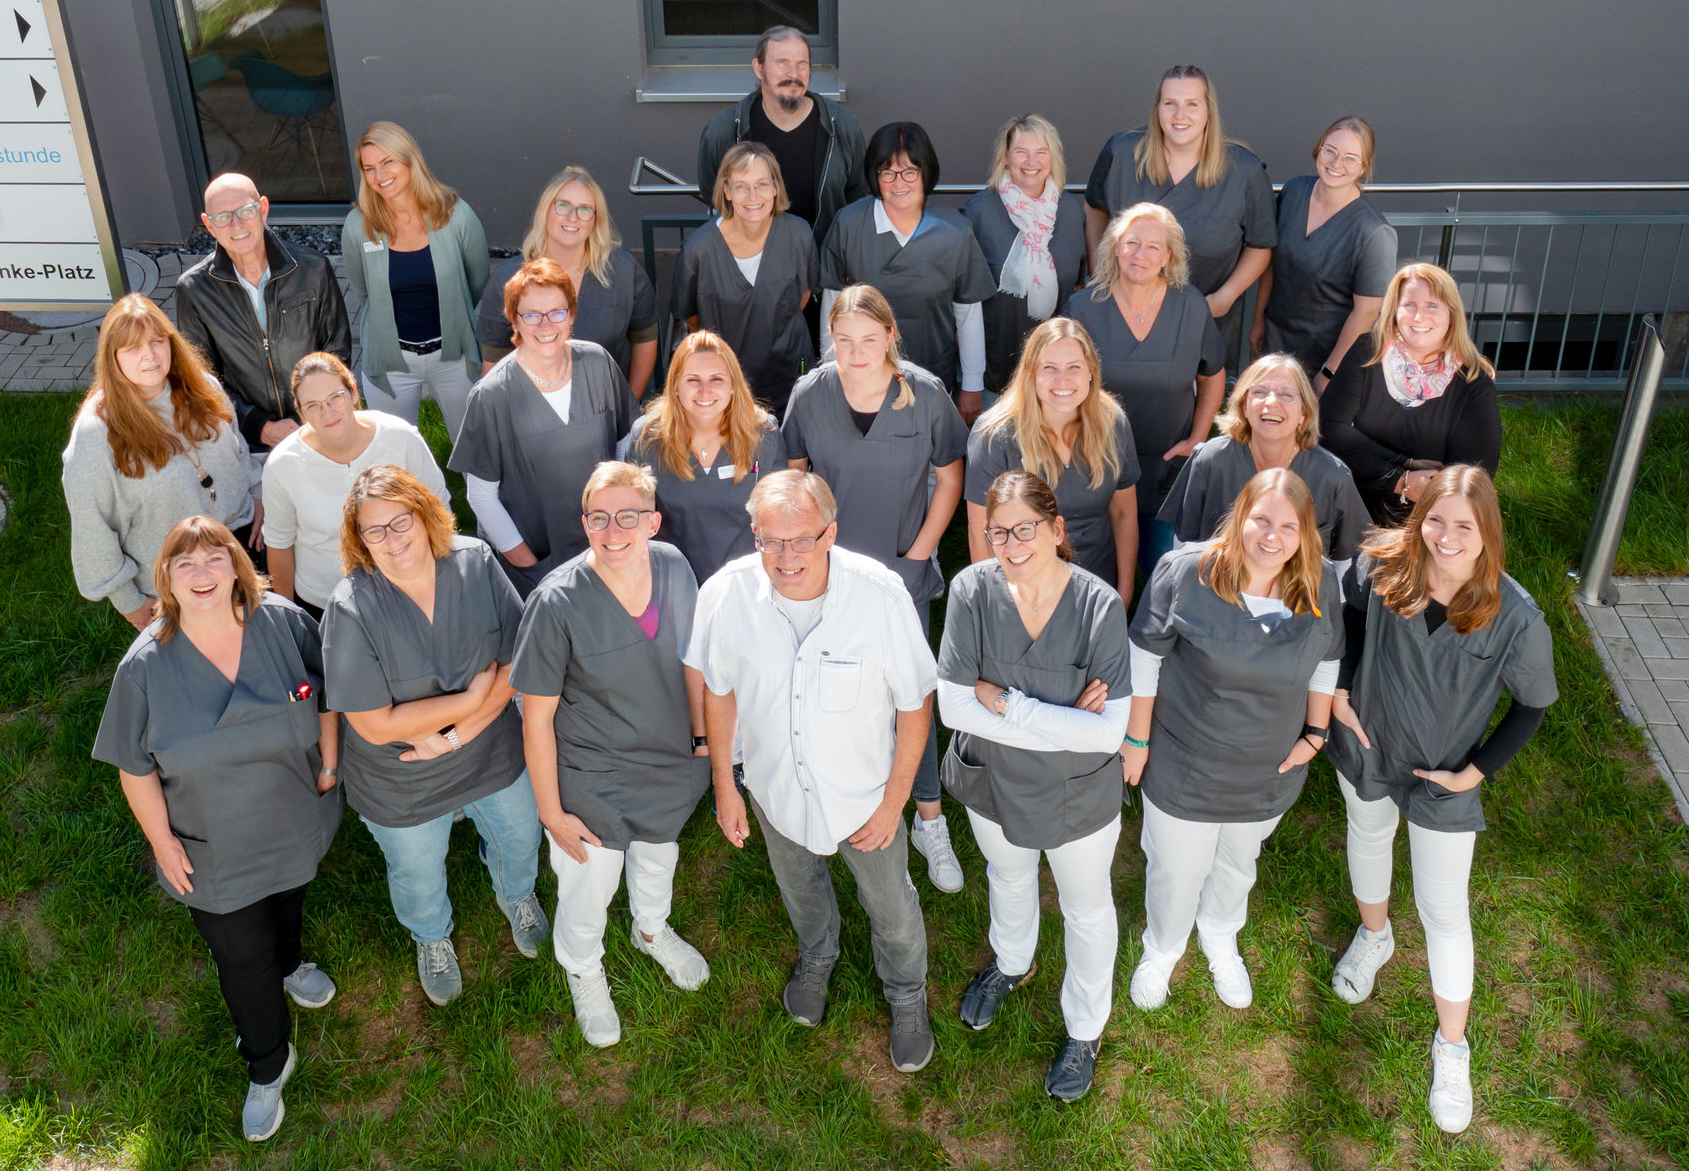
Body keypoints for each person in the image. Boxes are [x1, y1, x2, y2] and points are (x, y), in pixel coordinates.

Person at [92, 516, 342, 1142]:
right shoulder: (145, 666)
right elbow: (133, 767)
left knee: (287, 903)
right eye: (185, 564)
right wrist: (162, 842)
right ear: (166, 579)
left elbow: (327, 693)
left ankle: (291, 963)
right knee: (242, 956)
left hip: (293, 817)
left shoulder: (282, 624)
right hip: (212, 846)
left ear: (236, 565)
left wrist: (330, 764)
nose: (202, 573)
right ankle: (268, 1061)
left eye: (214, 558)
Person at [1324, 466, 1556, 1135]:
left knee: (1443, 907)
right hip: (1369, 743)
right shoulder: (1383, 566)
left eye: (1463, 525)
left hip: (1442, 774)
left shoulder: (1515, 616)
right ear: (1417, 516)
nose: (1445, 537)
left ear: (1487, 532)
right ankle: (1374, 936)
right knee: (1367, 837)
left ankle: (1451, 1046)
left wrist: (1473, 773)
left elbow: (1531, 706)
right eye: (1434, 520)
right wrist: (1340, 689)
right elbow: (1350, 620)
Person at [686, 471, 937, 1074]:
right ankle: (818, 952)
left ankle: (907, 993)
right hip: (776, 792)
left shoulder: (880, 597)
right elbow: (718, 691)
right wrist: (725, 784)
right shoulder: (725, 595)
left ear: (831, 533)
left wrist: (893, 804)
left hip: (865, 800)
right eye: (771, 541)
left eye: (801, 539)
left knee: (891, 906)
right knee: (799, 887)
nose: (786, 556)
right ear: (754, 535)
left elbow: (915, 704)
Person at [320, 465, 549, 1008]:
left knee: (521, 837)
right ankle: (431, 937)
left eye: (401, 522)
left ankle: (517, 896)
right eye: (374, 531)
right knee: (418, 874)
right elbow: (374, 724)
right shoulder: (351, 609)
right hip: (402, 777)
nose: (392, 539)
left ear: (425, 516)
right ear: (359, 539)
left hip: (489, 750)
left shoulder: (475, 563)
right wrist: (469, 700)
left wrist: (454, 735)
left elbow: (516, 662)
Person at [937, 471, 1132, 1101]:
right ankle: (1012, 962)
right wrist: (1066, 719)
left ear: (1056, 529)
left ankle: (1085, 1027)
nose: (1012, 545)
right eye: (999, 533)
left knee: (1086, 908)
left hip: (1078, 793)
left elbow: (1109, 735)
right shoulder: (971, 591)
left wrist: (1007, 704)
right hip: (993, 783)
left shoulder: (1100, 606)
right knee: (1008, 874)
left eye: (1026, 529)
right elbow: (953, 707)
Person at [1123, 468, 1343, 1013]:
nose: (1273, 537)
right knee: (1177, 869)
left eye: (1288, 527)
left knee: (1238, 864)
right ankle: (1163, 946)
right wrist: (1137, 740)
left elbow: (1327, 659)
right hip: (1186, 762)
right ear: (1240, 515)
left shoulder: (1319, 583)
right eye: (1262, 520)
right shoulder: (1187, 573)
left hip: (1268, 767)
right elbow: (1144, 656)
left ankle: (1220, 934)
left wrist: (1316, 735)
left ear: (1305, 534)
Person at [513, 462, 712, 1048]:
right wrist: (551, 812)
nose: (613, 530)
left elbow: (692, 661)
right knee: (589, 882)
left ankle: (650, 931)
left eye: (628, 516)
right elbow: (537, 717)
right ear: (584, 524)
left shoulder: (673, 566)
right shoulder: (556, 602)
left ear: (653, 522)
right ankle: (583, 966)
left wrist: (701, 742)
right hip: (592, 770)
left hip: (669, 754)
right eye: (598, 518)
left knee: (658, 854)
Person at [782, 285, 967, 891]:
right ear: (829, 340)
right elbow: (795, 481)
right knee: (840, 693)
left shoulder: (925, 394)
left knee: (911, 694)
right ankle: (848, 805)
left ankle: (928, 818)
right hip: (829, 577)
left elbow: (949, 478)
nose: (857, 353)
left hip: (900, 572)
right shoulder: (811, 395)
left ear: (891, 336)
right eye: (844, 341)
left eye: (869, 339)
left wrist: (919, 553)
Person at [64, 294, 262, 629]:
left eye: (157, 341)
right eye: (133, 348)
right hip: (176, 580)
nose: (150, 356)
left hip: (240, 549)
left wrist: (257, 495)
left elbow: (237, 448)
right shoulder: (96, 431)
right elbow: (91, 525)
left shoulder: (203, 386)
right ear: (112, 357)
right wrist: (129, 602)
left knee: (258, 646)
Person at [450, 258, 639, 597]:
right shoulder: (493, 395)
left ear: (572, 314)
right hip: (540, 566)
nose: (545, 324)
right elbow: (481, 496)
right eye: (532, 315)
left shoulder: (597, 364)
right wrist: (530, 567)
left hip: (610, 548)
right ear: (514, 319)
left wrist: (624, 520)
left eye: (557, 312)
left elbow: (627, 442)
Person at [1066, 203, 1226, 574]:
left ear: (1168, 256)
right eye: (1132, 243)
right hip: (1097, 464)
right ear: (1115, 247)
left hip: (1166, 467)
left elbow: (1212, 375)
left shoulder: (1190, 306)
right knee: (1090, 578)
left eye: (1153, 247)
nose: (1141, 254)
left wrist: (1197, 439)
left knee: (1163, 574)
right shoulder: (1082, 308)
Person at [1083, 65, 1276, 364]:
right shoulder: (1121, 152)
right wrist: (1100, 275)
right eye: (1170, 103)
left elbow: (1261, 246)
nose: (1179, 115)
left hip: (1203, 318)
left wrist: (1224, 298)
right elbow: (1095, 208)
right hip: (1120, 312)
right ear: (1157, 108)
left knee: (1198, 388)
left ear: (1209, 111)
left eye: (1192, 104)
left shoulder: (1244, 171)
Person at [819, 121, 996, 422]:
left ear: (926, 173)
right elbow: (831, 310)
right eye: (887, 172)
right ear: (875, 176)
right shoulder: (848, 226)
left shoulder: (954, 232)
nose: (899, 183)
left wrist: (972, 385)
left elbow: (968, 313)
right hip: (859, 382)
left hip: (932, 380)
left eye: (910, 171)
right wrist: (830, 376)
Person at [261, 352, 448, 621]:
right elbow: (279, 545)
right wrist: (287, 621)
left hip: (408, 591)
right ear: (300, 412)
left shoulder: (401, 437)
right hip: (325, 603)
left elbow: (439, 511)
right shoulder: (282, 465)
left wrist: (441, 582)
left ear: (353, 392)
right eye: (313, 406)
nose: (327, 413)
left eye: (335, 398)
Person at [175, 172, 352, 456]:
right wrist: (260, 426)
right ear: (209, 225)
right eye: (223, 217)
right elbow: (201, 377)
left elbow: (337, 352)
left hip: (320, 426)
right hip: (248, 443)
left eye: (245, 211)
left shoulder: (312, 269)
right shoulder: (194, 289)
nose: (237, 225)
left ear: (263, 209)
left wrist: (307, 416)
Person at [965, 318, 1139, 597]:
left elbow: (1123, 513)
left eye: (1074, 367)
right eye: (1049, 368)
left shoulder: (1112, 422)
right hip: (1023, 592)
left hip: (1096, 588)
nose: (1063, 380)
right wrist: (997, 604)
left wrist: (1124, 592)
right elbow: (980, 532)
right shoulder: (994, 435)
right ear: (1031, 373)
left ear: (1091, 371)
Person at [1318, 263, 1500, 525]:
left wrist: (1375, 460)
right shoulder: (1367, 351)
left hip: (1428, 521)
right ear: (1394, 311)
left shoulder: (1473, 381)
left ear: (1451, 313)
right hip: (1352, 508)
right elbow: (1329, 428)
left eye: (1432, 306)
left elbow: (1469, 475)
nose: (1418, 317)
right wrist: (1401, 472)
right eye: (1409, 305)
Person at [341, 121, 489, 441]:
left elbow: (476, 280)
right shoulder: (358, 226)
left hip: (454, 354)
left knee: (474, 445)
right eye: (369, 168)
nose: (380, 175)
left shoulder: (456, 215)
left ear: (410, 160)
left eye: (388, 162)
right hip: (390, 358)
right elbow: (364, 290)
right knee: (393, 450)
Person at [1160, 354, 1368, 559]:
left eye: (1286, 395)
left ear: (1304, 412)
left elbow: (1347, 562)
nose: (1271, 402)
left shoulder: (1333, 476)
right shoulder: (1210, 460)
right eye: (1259, 392)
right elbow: (1182, 547)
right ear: (1244, 406)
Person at [474, 167, 658, 396]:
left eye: (585, 209)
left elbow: (645, 338)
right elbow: (493, 363)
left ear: (595, 220)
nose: (573, 217)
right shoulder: (507, 279)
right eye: (563, 205)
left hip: (607, 409)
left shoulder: (623, 271)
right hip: (532, 410)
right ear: (545, 209)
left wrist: (629, 403)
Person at [622, 331, 786, 583]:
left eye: (716, 379)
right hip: (671, 584)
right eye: (693, 380)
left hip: (745, 585)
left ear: (733, 385)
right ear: (675, 386)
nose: (705, 391)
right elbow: (631, 520)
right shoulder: (647, 437)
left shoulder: (764, 433)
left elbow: (780, 519)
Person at [1249, 117, 1396, 391]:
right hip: (1276, 340)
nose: (1336, 163)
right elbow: (1271, 264)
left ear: (1364, 167)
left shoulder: (1374, 233)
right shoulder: (1294, 191)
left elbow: (1366, 313)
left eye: (1351, 158)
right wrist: (1258, 318)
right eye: (1331, 151)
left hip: (1325, 355)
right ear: (1319, 149)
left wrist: (1329, 372)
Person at [673, 142, 818, 416]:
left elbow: (803, 295)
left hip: (790, 373)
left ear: (775, 187)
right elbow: (691, 317)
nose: (753, 196)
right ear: (727, 191)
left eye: (762, 184)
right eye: (741, 186)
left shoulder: (799, 234)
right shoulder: (698, 250)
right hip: (726, 384)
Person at [695, 25, 867, 246]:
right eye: (782, 63)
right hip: (752, 260)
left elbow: (859, 197)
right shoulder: (724, 132)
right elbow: (713, 192)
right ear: (759, 68)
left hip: (825, 260)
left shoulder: (842, 127)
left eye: (802, 64)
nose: (793, 74)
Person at [961, 115, 1090, 402]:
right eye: (1021, 152)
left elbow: (1080, 288)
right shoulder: (978, 213)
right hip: (996, 376)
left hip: (1059, 379)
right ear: (1006, 158)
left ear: (1053, 158)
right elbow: (962, 299)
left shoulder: (1072, 211)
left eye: (1041, 152)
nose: (1031, 161)